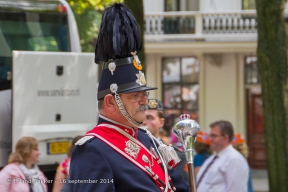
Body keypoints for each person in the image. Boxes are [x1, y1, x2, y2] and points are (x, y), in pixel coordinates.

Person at [68, 3, 189, 192]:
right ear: (110, 102)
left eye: (144, 94)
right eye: (135, 95)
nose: (144, 101)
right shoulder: (93, 149)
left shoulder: (145, 137)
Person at [196, 120, 249, 192]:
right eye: (210, 135)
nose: (210, 139)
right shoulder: (212, 158)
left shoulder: (234, 159)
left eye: (214, 136)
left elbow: (235, 189)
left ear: (225, 138)